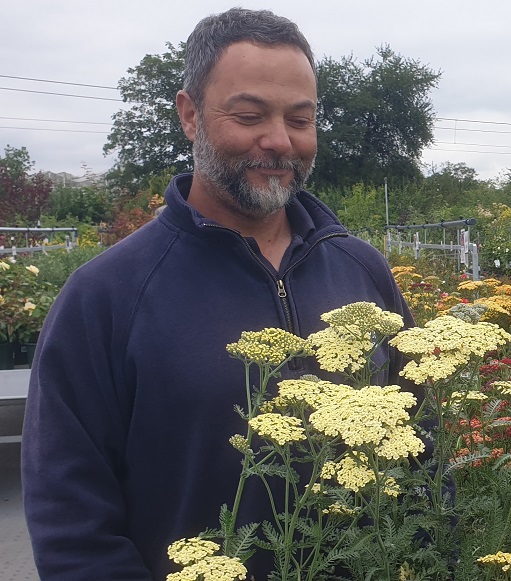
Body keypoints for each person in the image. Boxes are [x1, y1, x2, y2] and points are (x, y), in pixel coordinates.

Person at [21, 9, 415, 580]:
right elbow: (70, 517)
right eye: (249, 115)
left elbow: (425, 447)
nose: (279, 141)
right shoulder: (107, 294)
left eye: (300, 120)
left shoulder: (363, 269)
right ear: (189, 115)